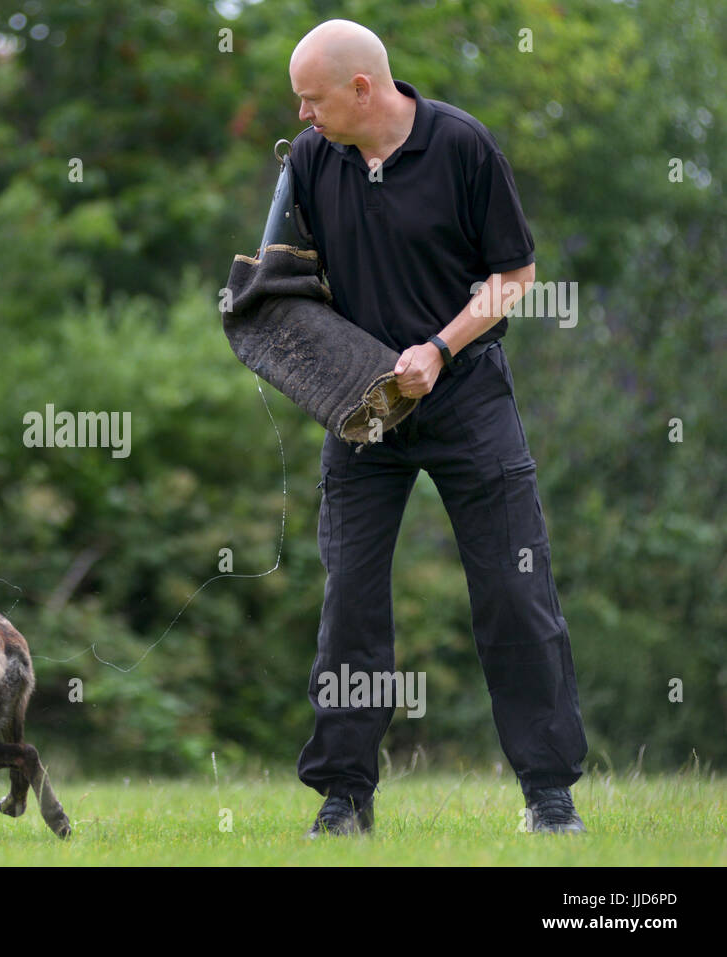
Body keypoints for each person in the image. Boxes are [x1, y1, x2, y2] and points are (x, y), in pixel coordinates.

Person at [283, 22, 588, 835]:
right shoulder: (312, 159)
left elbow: (515, 275)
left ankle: (550, 796)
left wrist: (441, 348)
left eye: (311, 98)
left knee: (514, 591)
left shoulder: (462, 147)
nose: (301, 114)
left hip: (465, 400)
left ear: (361, 88)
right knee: (350, 599)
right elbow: (283, 275)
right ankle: (344, 797)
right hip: (363, 410)